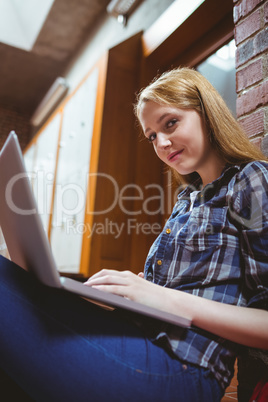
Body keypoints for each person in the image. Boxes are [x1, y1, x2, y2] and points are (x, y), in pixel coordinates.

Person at [0, 67, 267, 402]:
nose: (162, 143)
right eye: (152, 135)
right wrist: (137, 293)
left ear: (206, 112)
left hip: (180, 367)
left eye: (170, 123)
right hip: (135, 338)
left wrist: (163, 297)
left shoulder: (251, 180)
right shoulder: (187, 199)